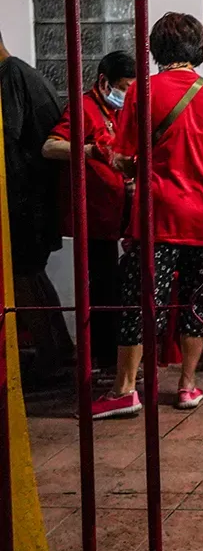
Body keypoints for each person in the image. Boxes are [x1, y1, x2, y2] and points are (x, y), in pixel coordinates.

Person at [90, 12, 203, 419]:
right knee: (196, 301)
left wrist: (136, 166)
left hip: (161, 214)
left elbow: (122, 157)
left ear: (155, 49)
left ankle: (125, 390)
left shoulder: (143, 92)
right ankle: (188, 387)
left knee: (139, 301)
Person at [42, 50, 137, 375]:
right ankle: (105, 360)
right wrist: (90, 151)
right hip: (94, 218)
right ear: (103, 81)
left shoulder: (125, 109)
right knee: (103, 288)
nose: (126, 93)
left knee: (126, 287)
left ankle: (119, 359)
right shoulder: (82, 108)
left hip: (125, 214)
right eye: (123, 86)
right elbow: (50, 147)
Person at [0, 26, 74, 387]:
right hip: (39, 198)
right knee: (33, 276)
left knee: (22, 278)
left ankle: (50, 359)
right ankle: (60, 349)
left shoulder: (10, 74)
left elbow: (6, 136)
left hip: (24, 201)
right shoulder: (27, 72)